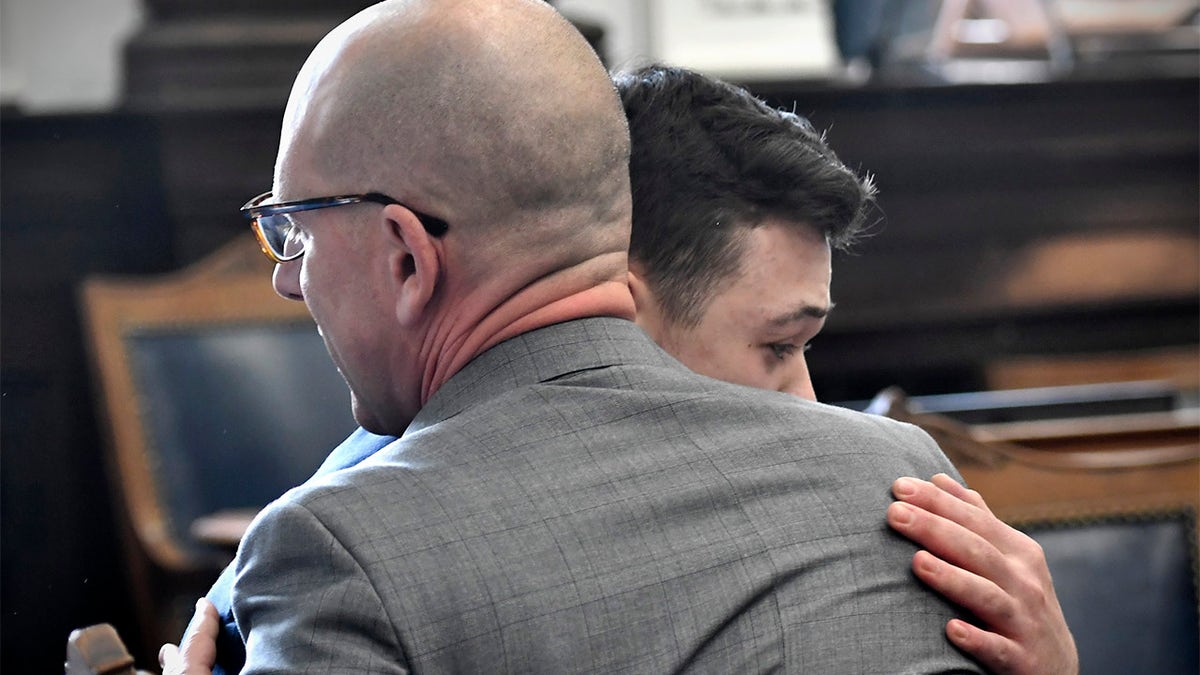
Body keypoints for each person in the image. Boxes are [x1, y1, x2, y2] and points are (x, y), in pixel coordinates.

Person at [163, 5, 1072, 673]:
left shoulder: (334, 554)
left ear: (407, 255)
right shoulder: (896, 476)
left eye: (299, 231)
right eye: (774, 345)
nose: (287, 274)